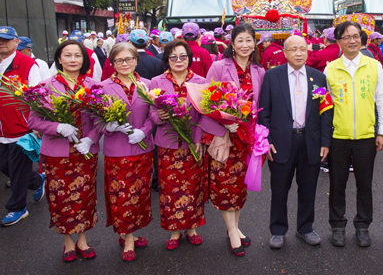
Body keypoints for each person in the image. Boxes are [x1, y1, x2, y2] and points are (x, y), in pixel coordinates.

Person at [27, 40, 100, 261]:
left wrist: (90, 139)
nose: (72, 60)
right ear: (59, 58)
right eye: (67, 55)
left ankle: (82, 240)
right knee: (61, 198)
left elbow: (100, 119)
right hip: (56, 154)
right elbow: (33, 121)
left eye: (77, 56)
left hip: (84, 151)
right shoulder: (45, 86)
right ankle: (68, 242)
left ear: (84, 59)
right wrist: (56, 127)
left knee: (85, 196)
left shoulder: (93, 85)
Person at [259, 35, 333, 249]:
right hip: (281, 141)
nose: (299, 53)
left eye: (302, 49)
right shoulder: (272, 76)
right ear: (285, 52)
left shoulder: (318, 77)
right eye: (294, 49)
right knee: (280, 188)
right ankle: (278, 230)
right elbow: (264, 112)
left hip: (310, 141)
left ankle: (305, 228)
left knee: (308, 188)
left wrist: (325, 142)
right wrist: (267, 140)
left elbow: (325, 111)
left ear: (308, 51)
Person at [199, 23, 265, 256]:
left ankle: (235, 227)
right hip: (226, 136)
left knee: (240, 186)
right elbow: (206, 101)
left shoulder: (259, 71)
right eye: (240, 41)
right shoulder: (218, 67)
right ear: (232, 44)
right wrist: (227, 121)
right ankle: (233, 232)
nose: (245, 45)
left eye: (249, 40)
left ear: (254, 43)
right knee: (225, 185)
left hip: (248, 139)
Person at [324, 21, 383, 248]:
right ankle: (337, 226)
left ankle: (362, 226)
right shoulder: (330, 68)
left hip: (366, 137)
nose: (352, 40)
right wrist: (325, 138)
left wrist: (381, 132)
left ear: (362, 39)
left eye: (356, 36)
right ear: (338, 41)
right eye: (346, 37)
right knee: (337, 183)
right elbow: (324, 105)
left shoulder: (374, 66)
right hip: (338, 137)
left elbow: (382, 100)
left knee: (365, 183)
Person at [149, 40, 205, 250]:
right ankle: (174, 229)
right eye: (173, 57)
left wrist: (198, 138)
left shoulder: (200, 81)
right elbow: (151, 113)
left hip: (193, 144)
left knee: (192, 187)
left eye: (183, 56)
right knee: (169, 188)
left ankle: (191, 228)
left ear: (189, 58)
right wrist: (159, 116)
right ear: (167, 60)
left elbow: (204, 115)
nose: (178, 61)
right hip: (167, 144)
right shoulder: (156, 82)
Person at [100, 43, 154, 261]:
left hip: (143, 150)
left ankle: (131, 229)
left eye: (129, 59)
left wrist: (144, 131)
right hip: (116, 151)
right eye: (120, 60)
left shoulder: (148, 85)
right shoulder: (102, 87)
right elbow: (95, 118)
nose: (125, 64)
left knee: (140, 194)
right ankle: (128, 238)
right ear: (112, 63)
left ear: (136, 60)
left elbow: (154, 115)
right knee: (122, 195)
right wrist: (109, 127)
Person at [0, 26, 44, 227]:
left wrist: (36, 123)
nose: (2, 43)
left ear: (17, 42)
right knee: (4, 165)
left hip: (20, 127)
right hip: (2, 127)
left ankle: (17, 208)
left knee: (17, 169)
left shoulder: (27, 64)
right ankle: (36, 181)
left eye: (7, 39)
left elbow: (37, 96)